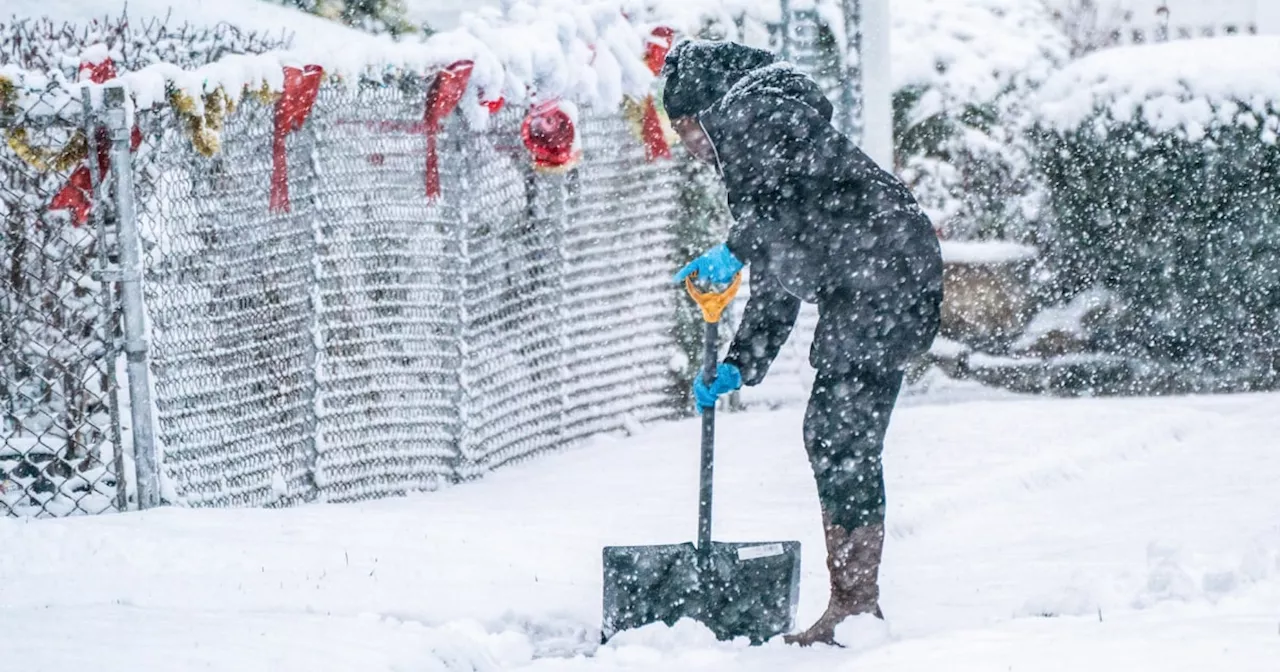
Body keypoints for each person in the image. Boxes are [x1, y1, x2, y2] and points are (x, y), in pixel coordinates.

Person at [662, 39, 944, 646]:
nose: (688, 146)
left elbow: (788, 212)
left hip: (880, 274)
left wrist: (734, 249)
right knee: (837, 433)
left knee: (841, 433)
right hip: (880, 275)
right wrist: (742, 361)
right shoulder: (762, 128)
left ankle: (855, 607)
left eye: (685, 126)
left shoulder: (760, 115)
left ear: (707, 108)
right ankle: (854, 604)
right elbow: (781, 269)